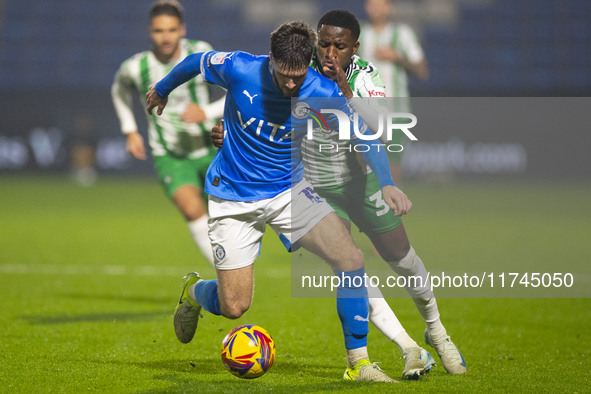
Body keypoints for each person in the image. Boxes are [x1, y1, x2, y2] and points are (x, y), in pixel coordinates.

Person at [147, 20, 413, 382]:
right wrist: (162, 90)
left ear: (309, 64)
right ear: (270, 59)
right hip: (233, 196)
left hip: (289, 192)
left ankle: (360, 364)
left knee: (351, 259)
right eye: (284, 75)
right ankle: (194, 293)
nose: (291, 84)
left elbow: (362, 137)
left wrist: (387, 183)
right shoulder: (240, 67)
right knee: (235, 306)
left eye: (298, 76)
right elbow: (196, 61)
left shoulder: (321, 90)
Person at [210, 9, 465, 378]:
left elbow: (379, 128)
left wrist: (344, 89)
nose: (330, 53)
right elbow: (255, 102)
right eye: (324, 44)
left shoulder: (364, 75)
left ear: (353, 48)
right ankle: (407, 348)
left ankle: (437, 331)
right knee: (349, 264)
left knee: (402, 258)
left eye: (339, 46)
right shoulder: (297, 71)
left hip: (361, 182)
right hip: (315, 187)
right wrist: (227, 133)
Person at [111, 0, 224, 265]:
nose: (165, 37)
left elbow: (236, 88)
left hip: (210, 149)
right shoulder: (136, 67)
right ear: (150, 32)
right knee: (192, 209)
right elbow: (118, 90)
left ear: (182, 30)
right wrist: (130, 131)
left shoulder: (201, 53)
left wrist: (206, 112)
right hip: (171, 155)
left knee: (224, 216)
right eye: (159, 31)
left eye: (171, 30)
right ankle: (225, 273)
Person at [359, 0, 428, 181]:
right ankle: (368, 208)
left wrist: (397, 57)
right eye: (372, 4)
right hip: (367, 110)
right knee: (363, 165)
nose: (376, 9)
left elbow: (421, 71)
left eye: (381, 4)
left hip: (396, 110)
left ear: (390, 7)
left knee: (392, 165)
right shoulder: (360, 35)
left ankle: (393, 208)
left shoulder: (402, 34)